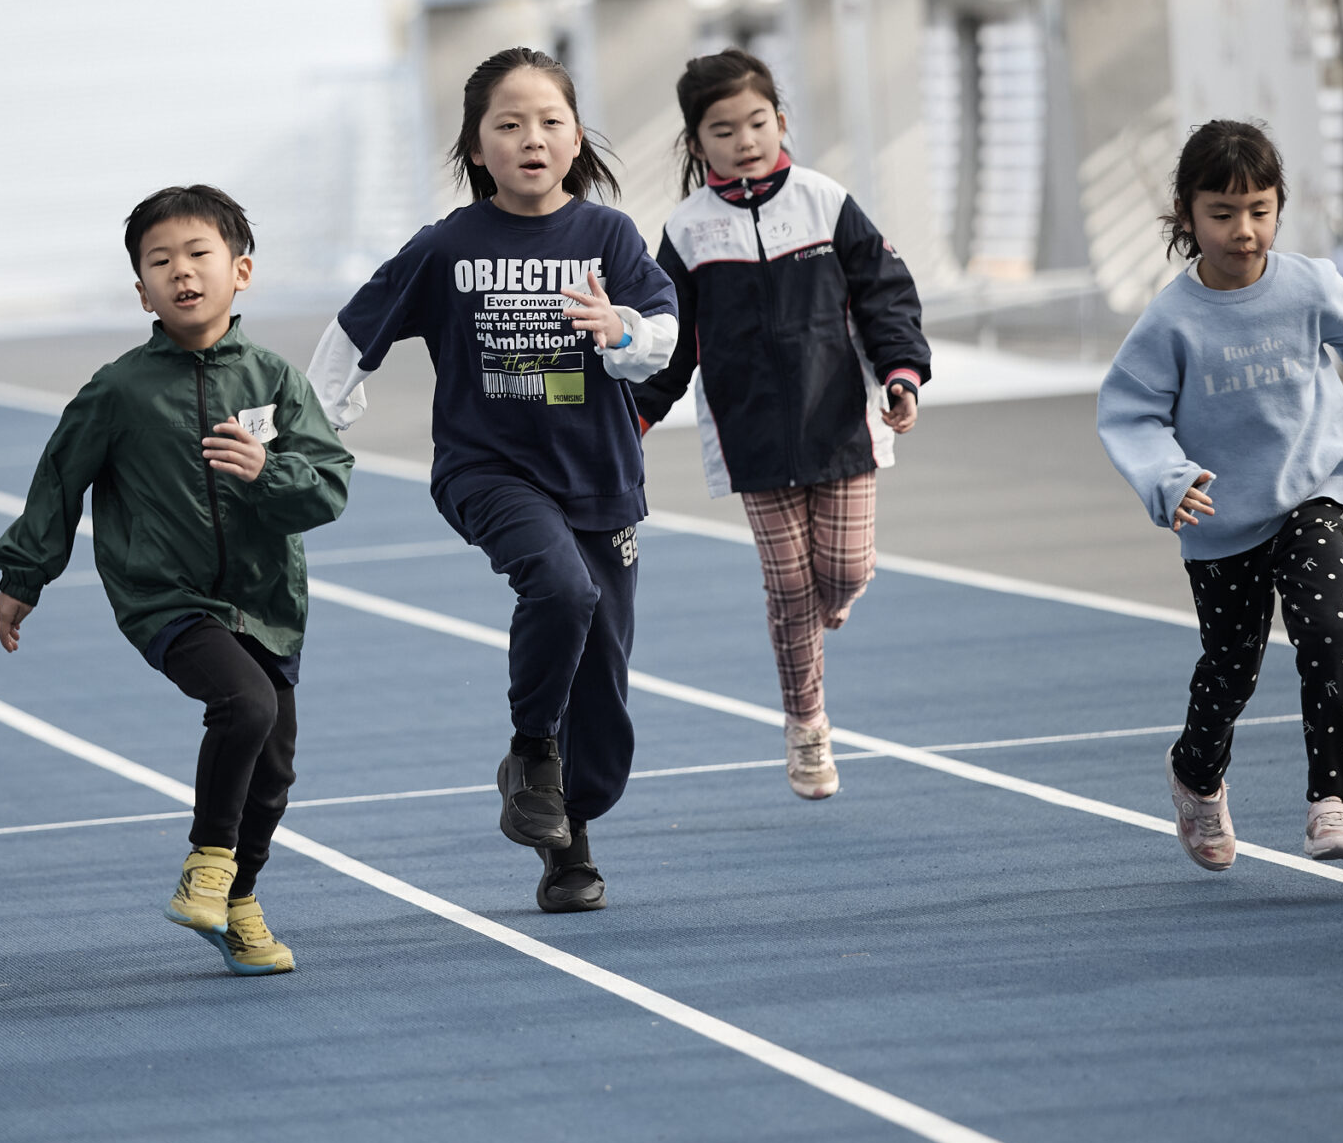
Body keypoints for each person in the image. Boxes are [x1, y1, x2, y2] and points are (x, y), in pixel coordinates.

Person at [309, 47, 676, 914]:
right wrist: (305, 438)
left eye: (549, 121)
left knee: (605, 686)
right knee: (560, 587)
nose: (531, 138)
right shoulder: (448, 248)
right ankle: (533, 751)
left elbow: (660, 337)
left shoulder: (609, 237)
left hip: (600, 479)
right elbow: (349, 336)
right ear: (477, 148)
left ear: (577, 136)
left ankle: (568, 833)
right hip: (488, 470)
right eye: (507, 125)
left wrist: (616, 329)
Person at [0, 185, 351, 975]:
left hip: (266, 601)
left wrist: (270, 470)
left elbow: (329, 485)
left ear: (241, 270)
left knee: (276, 763)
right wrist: (26, 573)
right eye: (161, 262)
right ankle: (207, 862)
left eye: (199, 255)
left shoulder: (275, 380)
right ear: (141, 289)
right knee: (243, 702)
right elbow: (60, 479)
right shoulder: (120, 389)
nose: (182, 273)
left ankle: (239, 901)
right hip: (166, 597)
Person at [1096, 119, 1343, 868]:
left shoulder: (1307, 283)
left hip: (1311, 487)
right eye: (1223, 213)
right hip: (1221, 516)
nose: (1245, 231)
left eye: (1261, 210)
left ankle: (1331, 801)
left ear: (1279, 206)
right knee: (1232, 665)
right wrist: (1169, 481)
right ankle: (1196, 776)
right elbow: (1129, 412)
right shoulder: (1171, 320)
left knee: (1329, 628)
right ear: (1187, 215)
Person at [633, 50, 929, 801]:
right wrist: (634, 414)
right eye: (723, 130)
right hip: (751, 439)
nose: (744, 140)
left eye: (757, 122)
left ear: (781, 121)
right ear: (697, 144)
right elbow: (672, 340)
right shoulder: (688, 232)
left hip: (843, 428)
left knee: (847, 572)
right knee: (789, 586)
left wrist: (902, 375)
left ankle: (825, 612)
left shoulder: (827, 203)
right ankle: (806, 727)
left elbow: (885, 296)